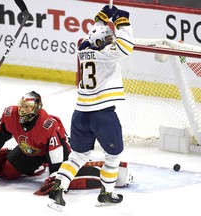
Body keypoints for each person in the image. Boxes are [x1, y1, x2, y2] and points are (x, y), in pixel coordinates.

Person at [47, 5, 134, 211]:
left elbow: (92, 37)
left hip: (80, 114)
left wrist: (101, 21)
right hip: (102, 114)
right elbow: (127, 45)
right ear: (102, 42)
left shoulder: (82, 49)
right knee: (113, 156)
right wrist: (122, 22)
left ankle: (58, 190)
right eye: (108, 39)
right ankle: (106, 193)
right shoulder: (106, 54)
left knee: (78, 156)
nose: (111, 41)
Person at [0, 91, 132, 195]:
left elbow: (57, 158)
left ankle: (108, 171)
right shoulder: (10, 114)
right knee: (6, 172)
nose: (23, 110)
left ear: (37, 109)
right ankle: (41, 165)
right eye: (22, 106)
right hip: (32, 150)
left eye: (28, 107)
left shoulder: (48, 125)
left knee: (65, 183)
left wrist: (55, 175)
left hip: (57, 151)